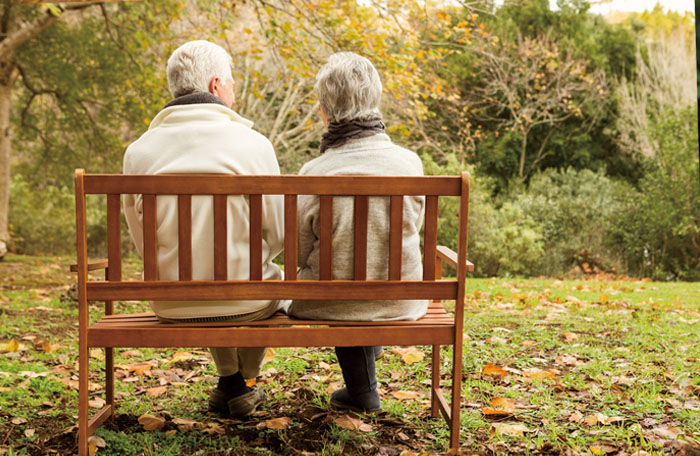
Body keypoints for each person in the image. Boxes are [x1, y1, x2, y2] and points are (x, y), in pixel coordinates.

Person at [122, 40, 286, 418]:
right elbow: (277, 235)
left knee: (201, 266)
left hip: (170, 302)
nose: (234, 91)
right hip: (248, 303)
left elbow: (140, 242)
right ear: (215, 86)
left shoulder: (139, 152)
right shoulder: (254, 145)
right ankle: (247, 381)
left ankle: (230, 381)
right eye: (231, 82)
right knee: (253, 275)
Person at [286, 52, 428, 412]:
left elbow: (299, 252)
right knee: (360, 280)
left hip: (328, 300)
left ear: (325, 111)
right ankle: (365, 373)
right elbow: (412, 229)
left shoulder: (315, 171)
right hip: (401, 298)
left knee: (343, 283)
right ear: (375, 100)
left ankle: (364, 394)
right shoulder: (409, 163)